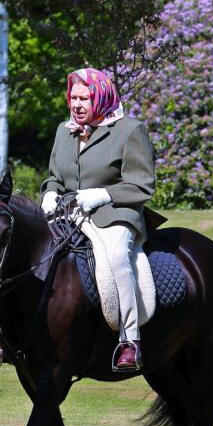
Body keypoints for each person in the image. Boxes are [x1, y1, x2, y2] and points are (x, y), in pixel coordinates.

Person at [40, 67, 156, 372]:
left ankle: (130, 340)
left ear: (101, 97)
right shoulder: (63, 131)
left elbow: (142, 186)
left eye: (84, 98)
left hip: (114, 214)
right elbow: (55, 177)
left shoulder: (130, 130)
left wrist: (103, 194)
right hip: (68, 214)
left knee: (117, 257)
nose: (77, 105)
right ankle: (15, 338)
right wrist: (50, 193)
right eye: (73, 98)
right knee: (30, 250)